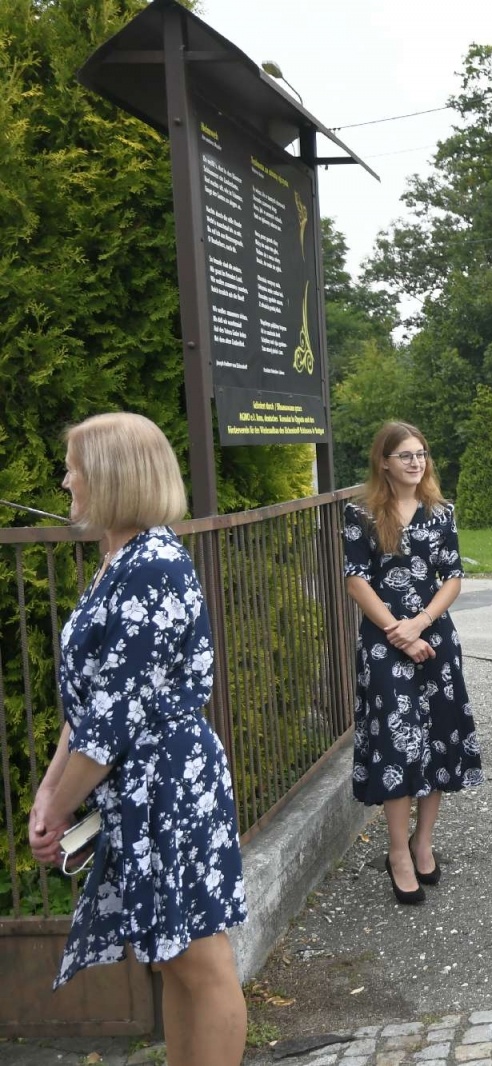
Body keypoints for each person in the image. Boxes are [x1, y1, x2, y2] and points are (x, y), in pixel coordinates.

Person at [28, 412, 247, 1065]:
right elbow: (94, 700)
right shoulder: (125, 560)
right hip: (149, 778)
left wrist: (61, 804)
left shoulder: (149, 565)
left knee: (201, 965)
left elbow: (111, 720)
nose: (66, 478)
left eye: (77, 466)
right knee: (172, 959)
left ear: (114, 476)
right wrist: (48, 790)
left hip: (166, 780)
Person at [343, 421, 483, 905]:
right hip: (384, 642)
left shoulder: (440, 512)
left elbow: (453, 577)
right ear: (383, 461)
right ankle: (397, 851)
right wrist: (398, 633)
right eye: (404, 455)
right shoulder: (359, 513)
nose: (415, 462)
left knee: (438, 740)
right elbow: (356, 579)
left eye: (421, 453)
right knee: (397, 745)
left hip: (434, 637)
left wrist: (420, 623)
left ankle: (424, 843)